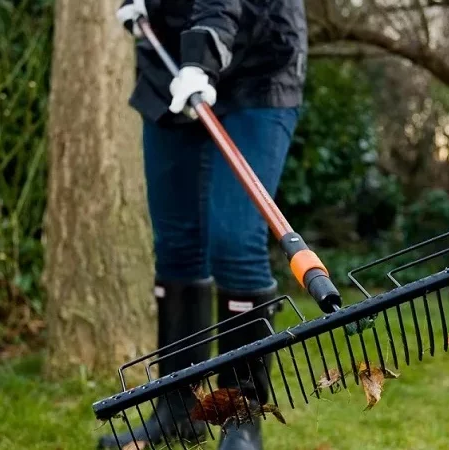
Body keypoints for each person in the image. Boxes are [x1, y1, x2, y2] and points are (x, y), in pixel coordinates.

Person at [97, 0, 308, 449]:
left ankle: (240, 418)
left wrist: (202, 58)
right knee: (176, 245)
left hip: (257, 64)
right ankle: (178, 410)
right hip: (170, 64)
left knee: (236, 242)